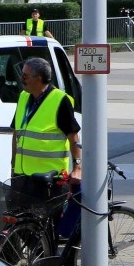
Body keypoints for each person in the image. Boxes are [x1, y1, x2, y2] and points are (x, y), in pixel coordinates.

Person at [10, 57, 81, 188]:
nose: (21, 79)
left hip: (50, 179)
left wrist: (78, 167)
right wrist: (13, 167)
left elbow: (73, 137)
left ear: (39, 78)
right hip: (22, 177)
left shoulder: (60, 100)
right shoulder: (23, 97)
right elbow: (16, 133)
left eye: (25, 76)